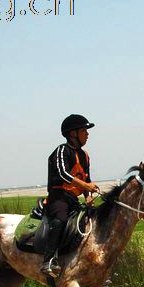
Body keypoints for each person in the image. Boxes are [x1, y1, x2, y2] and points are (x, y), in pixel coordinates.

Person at [41, 114, 100, 277]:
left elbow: (86, 178)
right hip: (58, 197)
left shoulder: (85, 155)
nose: (87, 134)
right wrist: (86, 186)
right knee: (60, 220)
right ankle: (48, 261)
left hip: (73, 199)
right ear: (73, 133)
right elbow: (63, 174)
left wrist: (88, 196)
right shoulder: (62, 150)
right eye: (84, 131)